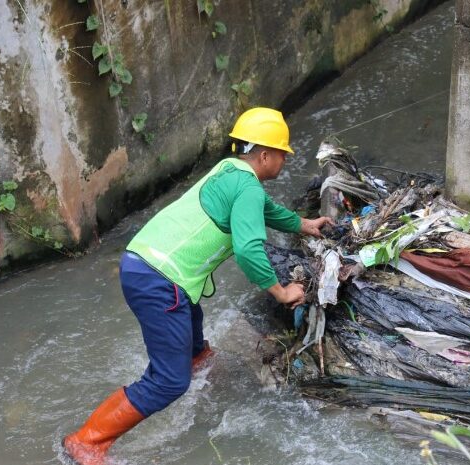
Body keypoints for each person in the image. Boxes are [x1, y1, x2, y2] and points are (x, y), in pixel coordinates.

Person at [63, 107, 334, 465]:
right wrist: (282, 293)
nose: (284, 160)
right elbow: (249, 249)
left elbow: (265, 209)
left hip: (144, 262)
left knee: (194, 340)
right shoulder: (247, 187)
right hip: (160, 280)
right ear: (265, 154)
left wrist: (303, 224)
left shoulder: (229, 170)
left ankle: (198, 361)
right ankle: (86, 442)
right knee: (169, 382)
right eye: (283, 153)